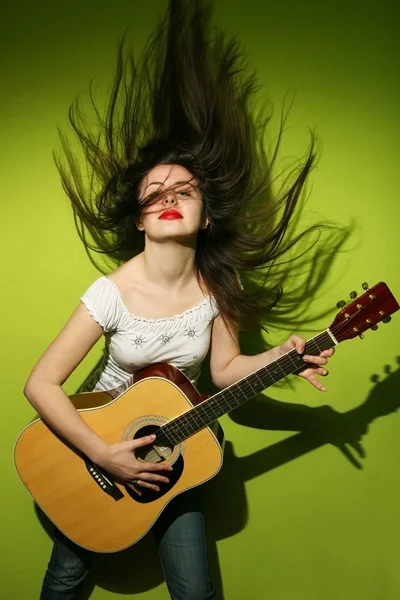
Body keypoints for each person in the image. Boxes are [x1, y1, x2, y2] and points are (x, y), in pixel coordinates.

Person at [23, 1, 336, 598]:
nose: (169, 197)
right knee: (64, 580)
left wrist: (290, 354)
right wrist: (106, 455)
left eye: (185, 190)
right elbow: (40, 385)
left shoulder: (220, 290)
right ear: (140, 220)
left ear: (206, 215)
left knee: (196, 592)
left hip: (177, 447)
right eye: (155, 192)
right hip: (96, 456)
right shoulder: (111, 291)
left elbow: (224, 371)